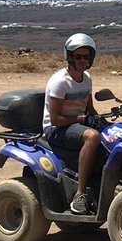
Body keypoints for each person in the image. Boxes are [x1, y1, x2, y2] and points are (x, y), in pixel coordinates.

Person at [44, 33, 101, 214]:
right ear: (69, 57)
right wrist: (80, 120)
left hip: (77, 124)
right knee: (92, 137)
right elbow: (55, 119)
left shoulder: (87, 78)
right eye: (78, 57)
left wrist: (101, 121)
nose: (83, 60)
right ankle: (80, 194)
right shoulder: (60, 82)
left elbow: (89, 108)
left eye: (86, 56)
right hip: (56, 129)